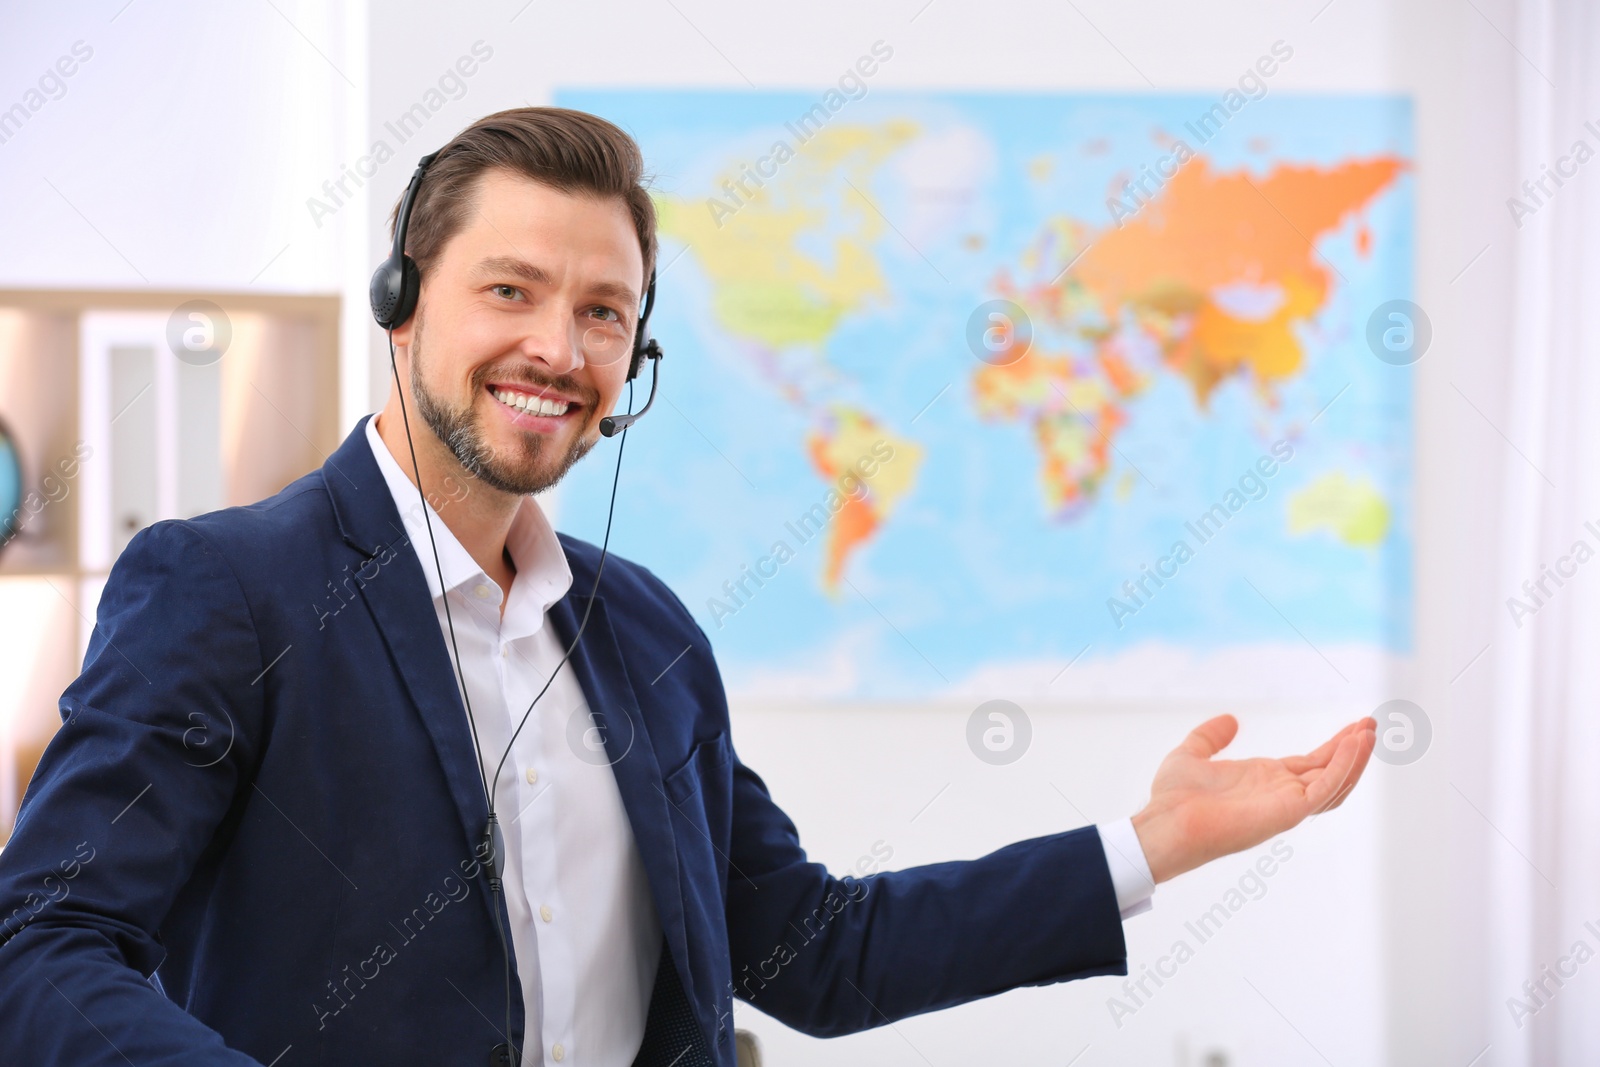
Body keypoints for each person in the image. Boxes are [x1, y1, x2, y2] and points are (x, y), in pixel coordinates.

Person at [0, 107, 1377, 1067]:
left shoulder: (645, 631)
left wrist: (1150, 845)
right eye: (512, 291)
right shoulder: (224, 587)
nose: (560, 346)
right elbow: (47, 946)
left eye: (604, 311)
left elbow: (816, 952)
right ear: (403, 298)